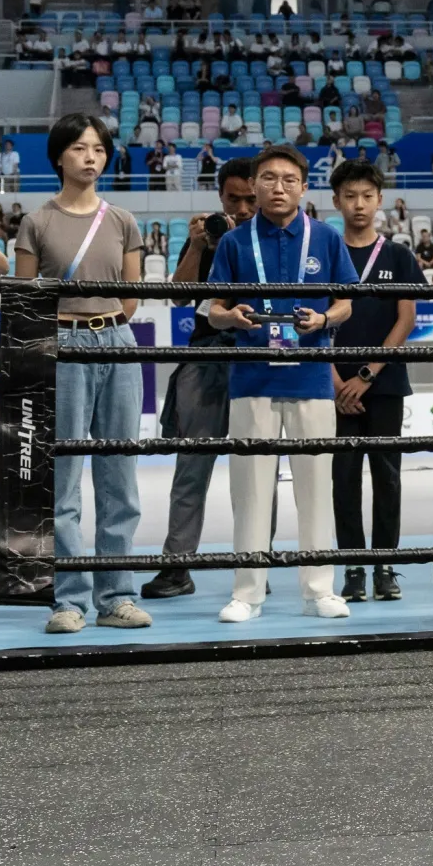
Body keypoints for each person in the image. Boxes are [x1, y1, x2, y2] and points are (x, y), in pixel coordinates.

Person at [203, 144, 359, 623]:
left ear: (303, 186)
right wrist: (232, 316)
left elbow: (347, 303)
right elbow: (211, 310)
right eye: (268, 178)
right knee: (250, 490)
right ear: (255, 185)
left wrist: (324, 317)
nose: (278, 187)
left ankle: (319, 589)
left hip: (312, 377)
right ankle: (247, 592)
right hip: (252, 377)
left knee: (316, 487)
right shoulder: (233, 242)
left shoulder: (328, 238)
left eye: (289, 179)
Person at [16, 114, 150, 634]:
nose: (90, 157)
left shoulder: (123, 220)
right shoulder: (37, 221)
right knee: (64, 478)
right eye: (79, 148)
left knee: (120, 476)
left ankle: (116, 595)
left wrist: (106, 323)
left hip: (116, 339)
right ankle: (67, 600)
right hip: (60, 343)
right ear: (58, 157)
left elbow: (134, 298)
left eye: (98, 148)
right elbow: (26, 300)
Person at [143, 158, 258, 600]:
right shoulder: (208, 237)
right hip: (206, 357)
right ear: (220, 198)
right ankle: (177, 568)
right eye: (235, 199)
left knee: (256, 470)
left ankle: (255, 565)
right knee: (191, 469)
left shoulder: (273, 239)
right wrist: (195, 246)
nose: (244, 207)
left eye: (251, 198)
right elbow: (176, 298)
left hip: (257, 359)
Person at [329, 159, 422, 604]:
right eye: (350, 196)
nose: (359, 204)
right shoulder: (326, 251)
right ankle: (352, 568)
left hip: (383, 385)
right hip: (332, 386)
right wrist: (334, 380)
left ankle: (386, 566)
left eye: (367, 196)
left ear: (380, 200)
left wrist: (366, 374)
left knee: (387, 476)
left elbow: (406, 319)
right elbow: (312, 323)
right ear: (336, 202)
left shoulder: (399, 255)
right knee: (344, 477)